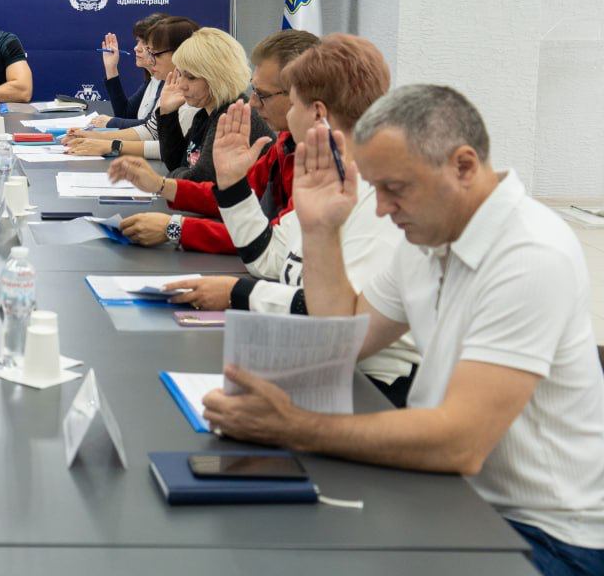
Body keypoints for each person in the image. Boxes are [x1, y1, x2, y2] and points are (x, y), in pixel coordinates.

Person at [204, 85, 604, 575]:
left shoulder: (530, 256)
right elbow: (345, 336)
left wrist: (295, 427)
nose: (381, 209)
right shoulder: (428, 238)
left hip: (545, 535)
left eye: (395, 188)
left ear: (463, 166)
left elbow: (461, 442)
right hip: (457, 497)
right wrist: (322, 230)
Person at [160, 34, 418, 405]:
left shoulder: (379, 202)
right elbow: (268, 258)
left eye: (292, 103)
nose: (255, 104)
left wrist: (239, 293)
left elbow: (342, 326)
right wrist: (232, 185)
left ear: (317, 114)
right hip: (327, 371)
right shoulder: (329, 178)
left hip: (370, 391)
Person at [107, 29, 317, 253]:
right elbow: (230, 196)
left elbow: (277, 240)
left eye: (262, 94)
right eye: (254, 90)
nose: (254, 103)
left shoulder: (319, 162)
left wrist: (174, 228)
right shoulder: (286, 142)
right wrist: (161, 185)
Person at [63, 16, 200, 159]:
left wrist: (111, 145)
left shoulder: (192, 98)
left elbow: (174, 149)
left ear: (180, 53)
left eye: (155, 54)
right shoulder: (168, 85)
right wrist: (94, 136)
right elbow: (151, 130)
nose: (150, 60)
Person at [90, 12, 170, 129]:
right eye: (138, 41)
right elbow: (125, 114)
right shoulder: (153, 80)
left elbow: (152, 128)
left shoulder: (168, 83)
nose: (137, 48)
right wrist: (111, 68)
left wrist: (110, 122)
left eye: (145, 43)